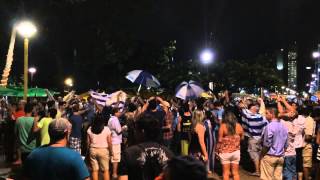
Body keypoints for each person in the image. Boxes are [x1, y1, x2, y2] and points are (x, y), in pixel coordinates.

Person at [23, 118, 90, 180]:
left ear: (49, 132)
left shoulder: (33, 154)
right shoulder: (74, 157)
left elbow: (25, 177)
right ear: (67, 134)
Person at [118, 114, 173, 180]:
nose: (135, 133)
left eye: (136, 130)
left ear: (142, 131)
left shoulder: (128, 154)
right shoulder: (169, 153)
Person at [239, 98, 268, 176]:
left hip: (253, 139)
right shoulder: (262, 117)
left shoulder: (250, 117)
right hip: (261, 139)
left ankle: (257, 171)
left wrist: (244, 103)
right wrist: (262, 102)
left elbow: (244, 111)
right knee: (260, 155)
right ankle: (262, 170)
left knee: (254, 155)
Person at [260, 107, 288, 180]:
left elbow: (267, 144)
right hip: (280, 157)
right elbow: (286, 144)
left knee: (267, 178)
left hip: (270, 156)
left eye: (267, 113)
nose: (265, 115)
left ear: (272, 114)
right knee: (278, 178)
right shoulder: (283, 126)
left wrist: (262, 154)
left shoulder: (269, 126)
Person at [216, 111, 244, 180]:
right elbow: (242, 138)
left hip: (225, 152)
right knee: (235, 173)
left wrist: (216, 150)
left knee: (226, 173)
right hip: (236, 152)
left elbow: (219, 140)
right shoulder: (239, 126)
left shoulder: (223, 126)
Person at [87, 115, 112, 180]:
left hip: (93, 150)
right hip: (103, 150)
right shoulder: (106, 129)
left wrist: (88, 150)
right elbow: (109, 142)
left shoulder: (90, 128)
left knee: (95, 170)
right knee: (105, 170)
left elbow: (88, 142)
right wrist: (111, 151)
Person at [108, 107, 125, 179]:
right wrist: (124, 128)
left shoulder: (110, 119)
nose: (120, 113)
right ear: (115, 113)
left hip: (112, 140)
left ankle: (110, 172)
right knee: (115, 159)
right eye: (118, 112)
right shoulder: (115, 120)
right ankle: (114, 174)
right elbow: (119, 131)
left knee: (112, 157)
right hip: (116, 141)